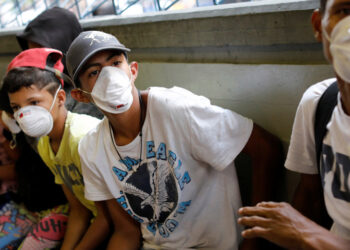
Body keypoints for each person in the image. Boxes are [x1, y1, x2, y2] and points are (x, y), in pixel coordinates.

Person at [66, 30, 283, 249]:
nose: (109, 77)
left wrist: (254, 238)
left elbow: (266, 148)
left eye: (115, 63)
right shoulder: (92, 149)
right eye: (94, 73)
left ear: (132, 71)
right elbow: (126, 231)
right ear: (81, 96)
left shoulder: (176, 110)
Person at [238, 0, 350, 249]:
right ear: (319, 26)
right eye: (345, 11)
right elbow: (311, 198)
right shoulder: (319, 102)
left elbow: (304, 230)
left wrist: (306, 234)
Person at [0, 48, 108, 249]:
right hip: (94, 223)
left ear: (60, 99)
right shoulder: (44, 144)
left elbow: (108, 217)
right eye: (16, 108)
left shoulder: (81, 138)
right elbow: (79, 210)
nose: (24, 114)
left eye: (34, 102)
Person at [16, 6, 103, 119]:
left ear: (64, 47)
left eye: (44, 55)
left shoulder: (89, 93)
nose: (36, 66)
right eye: (32, 55)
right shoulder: (35, 86)